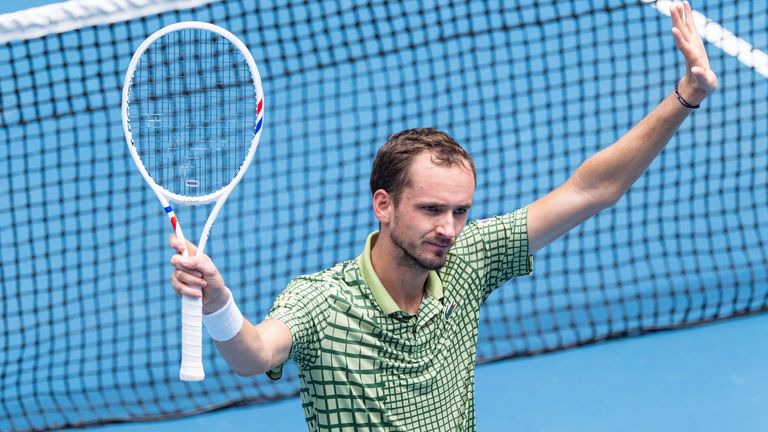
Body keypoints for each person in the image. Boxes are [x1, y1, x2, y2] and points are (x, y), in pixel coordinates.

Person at [169, 2, 717, 431]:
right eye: (431, 209)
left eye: (460, 211)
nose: (449, 229)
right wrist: (218, 302)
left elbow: (591, 190)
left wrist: (686, 95)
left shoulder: (469, 258)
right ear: (383, 203)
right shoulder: (321, 301)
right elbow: (253, 356)